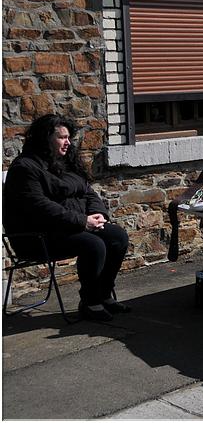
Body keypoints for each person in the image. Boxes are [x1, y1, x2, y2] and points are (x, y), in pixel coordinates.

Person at [3, 114, 131, 321]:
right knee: (94, 244)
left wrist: (97, 214)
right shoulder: (25, 168)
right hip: (38, 235)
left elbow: (88, 192)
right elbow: (41, 208)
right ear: (45, 138)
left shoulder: (66, 162)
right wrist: (83, 221)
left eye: (68, 137)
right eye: (62, 137)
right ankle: (90, 303)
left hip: (71, 226)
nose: (67, 142)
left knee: (118, 237)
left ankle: (104, 295)